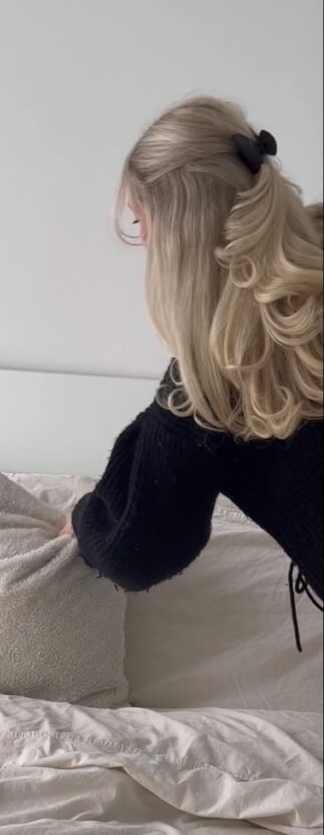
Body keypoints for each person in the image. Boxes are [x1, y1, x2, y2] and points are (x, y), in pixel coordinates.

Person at [64, 96, 323, 650]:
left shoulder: (224, 374)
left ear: (176, 237)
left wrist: (85, 517)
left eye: (141, 222)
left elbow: (136, 551)